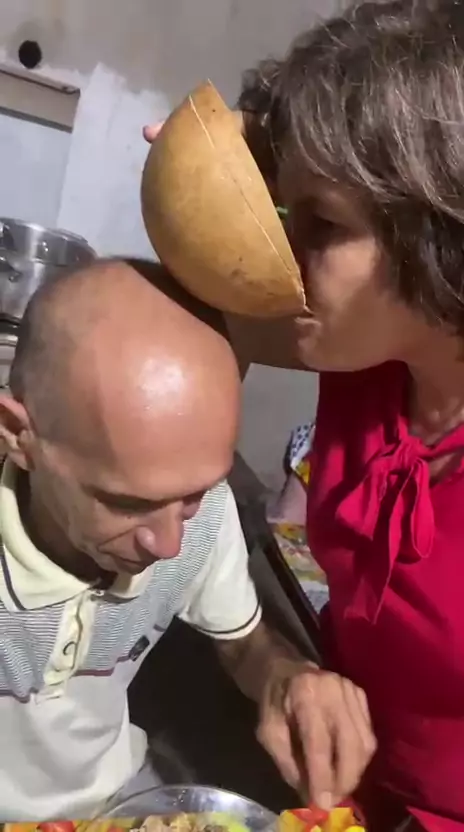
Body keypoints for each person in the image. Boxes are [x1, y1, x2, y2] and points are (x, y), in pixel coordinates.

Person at [144, 0, 464, 829]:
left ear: (441, 238)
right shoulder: (362, 352)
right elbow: (164, 314)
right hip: (337, 790)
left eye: (320, 224)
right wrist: (217, 173)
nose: (283, 252)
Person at [0, 257, 374, 821]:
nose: (169, 544)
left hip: (118, 797)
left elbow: (244, 645)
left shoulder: (203, 520)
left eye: (194, 494)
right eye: (128, 503)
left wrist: (286, 677)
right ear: (18, 436)